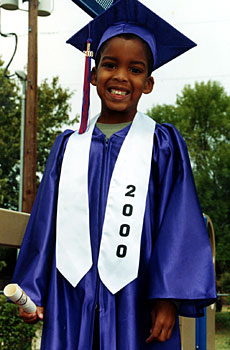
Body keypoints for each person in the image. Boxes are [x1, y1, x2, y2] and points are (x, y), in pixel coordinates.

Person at [13, 0, 216, 349]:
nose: (121, 76)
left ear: (148, 83)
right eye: (109, 65)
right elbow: (45, 223)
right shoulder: (68, 146)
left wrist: (167, 297)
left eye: (135, 70)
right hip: (71, 294)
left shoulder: (162, 144)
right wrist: (31, 287)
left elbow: (177, 223)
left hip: (136, 296)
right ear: (93, 76)